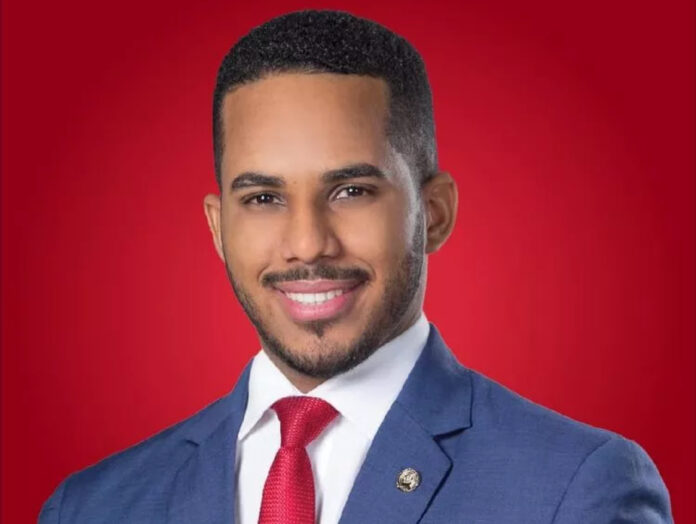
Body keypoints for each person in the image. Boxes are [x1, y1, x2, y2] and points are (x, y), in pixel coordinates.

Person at [38, 9, 673, 524]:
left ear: (434, 213)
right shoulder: (91, 508)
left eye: (351, 191)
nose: (308, 244)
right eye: (263, 198)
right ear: (217, 227)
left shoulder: (578, 490)